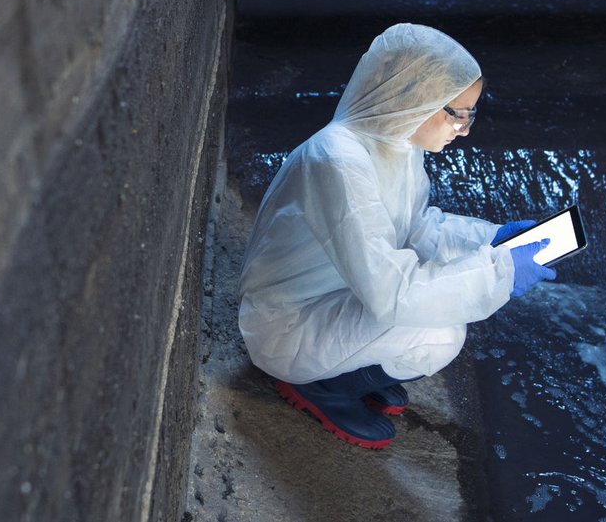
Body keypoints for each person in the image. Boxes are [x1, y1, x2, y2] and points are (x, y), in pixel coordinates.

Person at [237, 23, 556, 449]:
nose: (464, 129)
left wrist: (491, 240)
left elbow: (417, 227)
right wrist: (497, 273)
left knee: (436, 306)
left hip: (331, 298)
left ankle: (343, 371)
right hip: (285, 325)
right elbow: (392, 292)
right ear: (413, 97)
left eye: (470, 114)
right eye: (456, 114)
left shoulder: (396, 146)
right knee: (441, 332)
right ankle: (320, 386)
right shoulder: (338, 160)